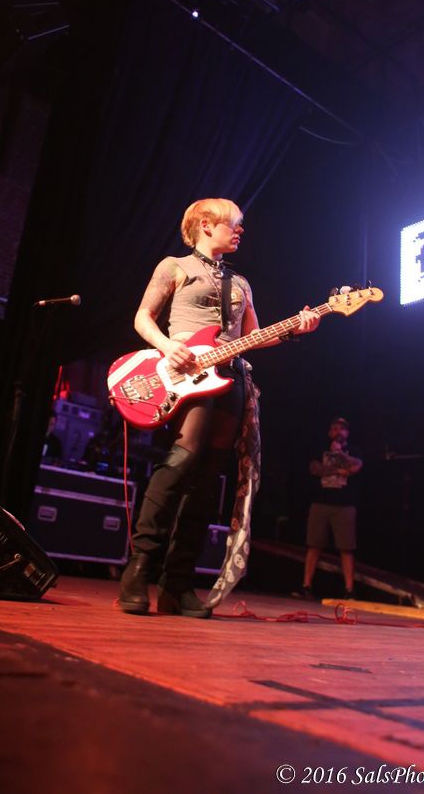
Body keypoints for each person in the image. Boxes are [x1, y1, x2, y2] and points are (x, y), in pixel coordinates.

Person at [118, 197, 320, 618]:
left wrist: (295, 330)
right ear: (207, 224)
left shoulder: (241, 283)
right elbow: (143, 317)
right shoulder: (174, 266)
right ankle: (138, 571)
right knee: (181, 461)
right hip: (185, 373)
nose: (240, 230)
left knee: (208, 478)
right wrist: (168, 346)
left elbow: (253, 336)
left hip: (230, 378)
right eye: (234, 223)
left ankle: (177, 584)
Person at [296, 417, 363, 600]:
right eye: (335, 428)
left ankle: (349, 590)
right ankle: (306, 586)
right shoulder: (320, 448)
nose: (338, 431)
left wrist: (341, 455)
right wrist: (338, 471)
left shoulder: (354, 450)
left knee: (346, 548)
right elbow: (314, 469)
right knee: (314, 545)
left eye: (342, 429)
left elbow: (356, 466)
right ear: (329, 432)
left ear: (347, 433)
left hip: (345, 506)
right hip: (320, 503)